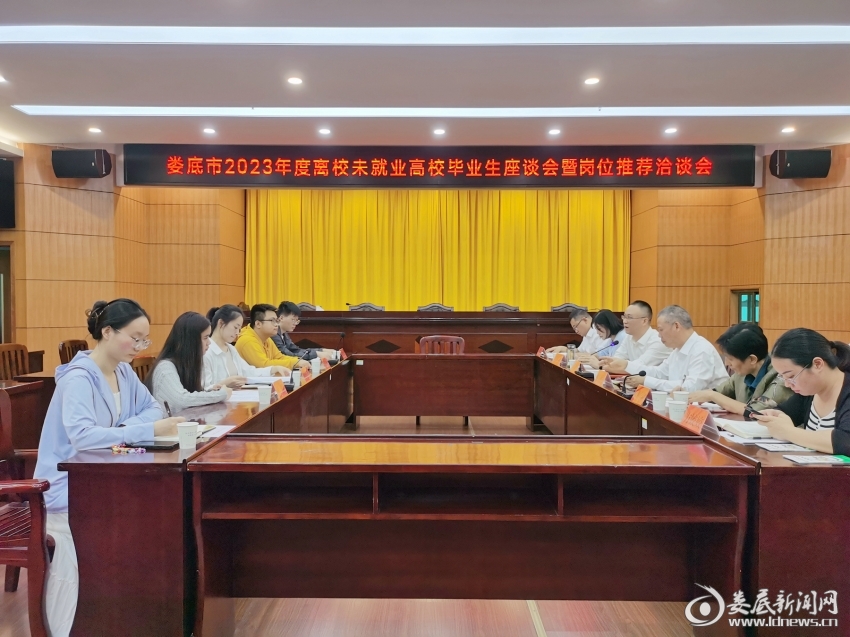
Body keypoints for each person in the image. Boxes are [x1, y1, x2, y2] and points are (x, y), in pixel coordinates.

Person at [33, 299, 184, 637]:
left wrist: (122, 429)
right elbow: (84, 438)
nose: (140, 346)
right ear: (107, 332)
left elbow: (154, 408)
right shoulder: (78, 379)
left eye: (145, 339)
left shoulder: (124, 372)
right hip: (67, 488)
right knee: (84, 558)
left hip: (104, 478)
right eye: (135, 338)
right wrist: (142, 431)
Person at [753, 328, 850, 455]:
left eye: (791, 376)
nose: (787, 384)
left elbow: (845, 441)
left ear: (817, 364)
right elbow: (785, 412)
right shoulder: (809, 392)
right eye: (783, 377)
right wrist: (774, 416)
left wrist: (788, 432)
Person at [687, 323, 793, 415]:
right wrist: (687, 396)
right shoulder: (741, 373)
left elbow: (755, 411)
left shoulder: (782, 378)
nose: (727, 363)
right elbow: (718, 392)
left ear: (752, 359)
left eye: (731, 359)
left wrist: (712, 396)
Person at [626, 305, 728, 392]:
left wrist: (646, 381)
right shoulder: (677, 350)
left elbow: (690, 388)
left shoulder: (701, 350)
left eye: (661, 330)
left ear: (676, 326)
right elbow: (660, 373)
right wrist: (628, 367)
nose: (659, 335)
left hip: (709, 407)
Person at [146, 311, 231, 412]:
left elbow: (186, 394)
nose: (209, 343)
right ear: (191, 341)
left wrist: (208, 392)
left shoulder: (187, 363)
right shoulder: (165, 367)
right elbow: (181, 399)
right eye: (205, 338)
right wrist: (221, 394)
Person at [203, 304, 289, 389]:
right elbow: (203, 389)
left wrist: (273, 369)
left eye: (239, 329)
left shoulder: (231, 349)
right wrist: (225, 384)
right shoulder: (206, 351)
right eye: (235, 327)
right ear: (221, 323)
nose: (237, 333)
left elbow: (249, 372)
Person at [599, 300, 672, 374]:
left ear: (644, 321)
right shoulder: (628, 337)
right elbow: (617, 359)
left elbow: (638, 367)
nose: (625, 321)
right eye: (624, 317)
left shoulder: (658, 341)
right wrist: (608, 364)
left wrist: (612, 366)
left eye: (629, 317)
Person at [235, 303, 309, 371]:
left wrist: (298, 361)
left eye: (276, 321)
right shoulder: (247, 340)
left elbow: (279, 357)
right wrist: (294, 363)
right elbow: (264, 365)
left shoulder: (267, 338)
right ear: (258, 324)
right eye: (272, 321)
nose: (276, 324)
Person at [272, 301, 336, 361]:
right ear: (281, 318)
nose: (295, 323)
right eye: (293, 320)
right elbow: (288, 355)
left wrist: (320, 350)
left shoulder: (284, 333)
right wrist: (316, 354)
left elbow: (296, 350)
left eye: (297, 321)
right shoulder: (274, 334)